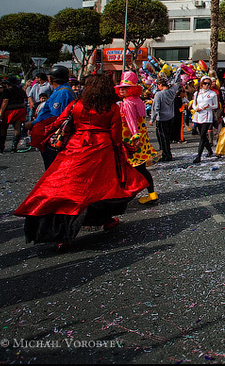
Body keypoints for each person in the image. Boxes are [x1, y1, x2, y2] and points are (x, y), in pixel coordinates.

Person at [14, 74, 149, 252]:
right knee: (102, 189)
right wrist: (125, 149)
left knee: (64, 188)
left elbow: (58, 122)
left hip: (75, 149)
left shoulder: (76, 104)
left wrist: (42, 132)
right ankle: (105, 220)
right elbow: (116, 136)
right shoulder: (112, 107)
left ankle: (63, 235)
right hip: (102, 150)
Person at [116, 71, 161, 203]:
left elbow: (131, 121)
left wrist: (135, 136)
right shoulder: (138, 101)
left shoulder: (128, 102)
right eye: (121, 88)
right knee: (141, 168)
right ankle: (151, 194)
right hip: (141, 139)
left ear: (132, 89)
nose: (122, 90)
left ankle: (128, 195)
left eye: (125, 88)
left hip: (131, 140)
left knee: (133, 168)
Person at [149, 71, 182, 162]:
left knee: (162, 138)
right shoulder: (172, 91)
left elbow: (156, 108)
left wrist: (152, 119)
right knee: (167, 137)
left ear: (160, 85)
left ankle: (165, 155)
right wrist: (178, 73)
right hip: (170, 116)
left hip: (162, 118)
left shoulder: (159, 94)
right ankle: (167, 153)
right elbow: (177, 83)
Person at [0, 76, 28, 153]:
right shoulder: (21, 90)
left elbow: (5, 102)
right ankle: (14, 147)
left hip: (9, 110)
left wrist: (0, 113)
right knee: (17, 128)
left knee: (3, 128)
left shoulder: (7, 91)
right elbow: (25, 100)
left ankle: (1, 146)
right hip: (20, 109)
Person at [192, 75, 219, 163]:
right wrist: (196, 108)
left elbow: (216, 105)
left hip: (207, 115)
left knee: (203, 134)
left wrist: (209, 106)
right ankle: (210, 150)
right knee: (202, 135)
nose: (206, 85)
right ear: (201, 84)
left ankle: (198, 155)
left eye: (208, 84)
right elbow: (194, 103)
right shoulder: (197, 93)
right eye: (205, 83)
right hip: (198, 114)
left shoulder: (212, 94)